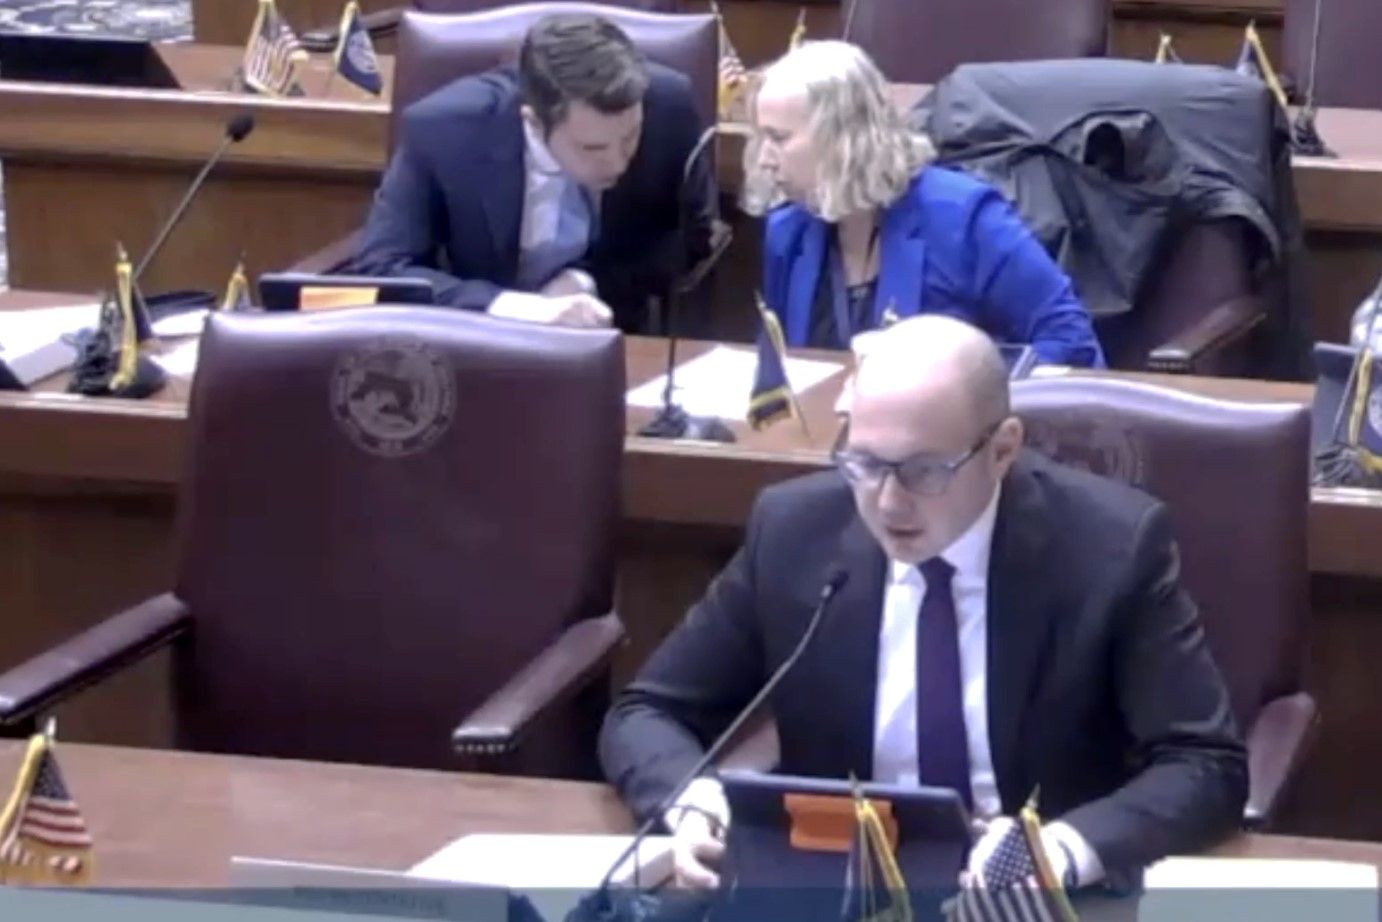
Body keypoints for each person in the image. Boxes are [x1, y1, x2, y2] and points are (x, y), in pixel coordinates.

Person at [599, 314, 1245, 892]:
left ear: (1002, 450)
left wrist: (1060, 851)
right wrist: (695, 803)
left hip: (1032, 902)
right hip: (844, 886)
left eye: (923, 473)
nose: (886, 502)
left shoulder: (1110, 549)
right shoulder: (796, 533)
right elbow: (646, 712)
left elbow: (1204, 766)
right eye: (864, 465)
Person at [743, 41, 1105, 367]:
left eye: (778, 138)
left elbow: (1069, 340)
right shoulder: (788, 229)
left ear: (844, 140)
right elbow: (781, 365)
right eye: (761, 137)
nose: (764, 159)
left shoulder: (963, 218)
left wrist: (975, 394)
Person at [352, 13, 717, 332]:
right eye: (593, 148)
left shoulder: (669, 107)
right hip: (479, 337)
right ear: (534, 122)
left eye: (630, 138)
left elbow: (692, 240)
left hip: (612, 334)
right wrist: (517, 308)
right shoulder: (443, 130)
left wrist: (583, 282)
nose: (618, 162)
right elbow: (383, 269)